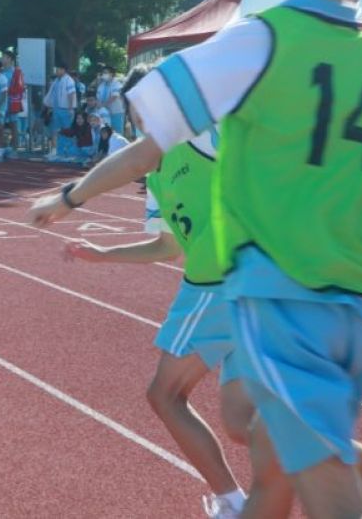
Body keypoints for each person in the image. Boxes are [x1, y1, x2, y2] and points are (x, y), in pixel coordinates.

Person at [30, 0, 362, 519]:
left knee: (314, 488)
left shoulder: (261, 42)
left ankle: (344, 473)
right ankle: (326, 468)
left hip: (285, 293)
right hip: (359, 299)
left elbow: (148, 134)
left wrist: (68, 197)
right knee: (263, 459)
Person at [65, 68, 253, 518]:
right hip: (242, 284)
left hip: (216, 284)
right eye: (135, 108)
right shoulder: (155, 174)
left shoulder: (202, 134)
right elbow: (167, 246)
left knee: (165, 395)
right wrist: (103, 256)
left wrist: (68, 198)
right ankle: (336, 469)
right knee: (243, 420)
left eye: (147, 104)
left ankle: (235, 504)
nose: (140, 116)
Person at [43, 62, 78, 163]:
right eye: (56, 69)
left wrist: (70, 108)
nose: (56, 71)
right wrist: (48, 105)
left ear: (63, 70)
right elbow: (51, 94)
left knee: (66, 131)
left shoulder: (69, 80)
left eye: (58, 69)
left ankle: (68, 152)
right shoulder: (56, 81)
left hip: (66, 109)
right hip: (56, 108)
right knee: (55, 130)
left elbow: (71, 94)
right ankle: (55, 151)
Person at [3, 50, 27, 154]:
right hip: (2, 102)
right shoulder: (1, 72)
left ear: (10, 59)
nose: (2, 59)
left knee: (13, 125)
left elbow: (20, 88)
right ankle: (3, 147)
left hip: (12, 101)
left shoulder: (16, 72)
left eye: (4, 57)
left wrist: (9, 91)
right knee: (1, 125)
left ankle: (14, 149)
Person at [95, 66, 125, 134]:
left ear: (111, 74)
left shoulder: (117, 84)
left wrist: (103, 105)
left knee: (117, 132)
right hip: (104, 113)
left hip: (116, 112)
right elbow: (98, 97)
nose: (103, 75)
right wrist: (98, 104)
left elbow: (114, 97)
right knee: (106, 133)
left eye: (106, 73)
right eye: (103, 73)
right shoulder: (101, 85)